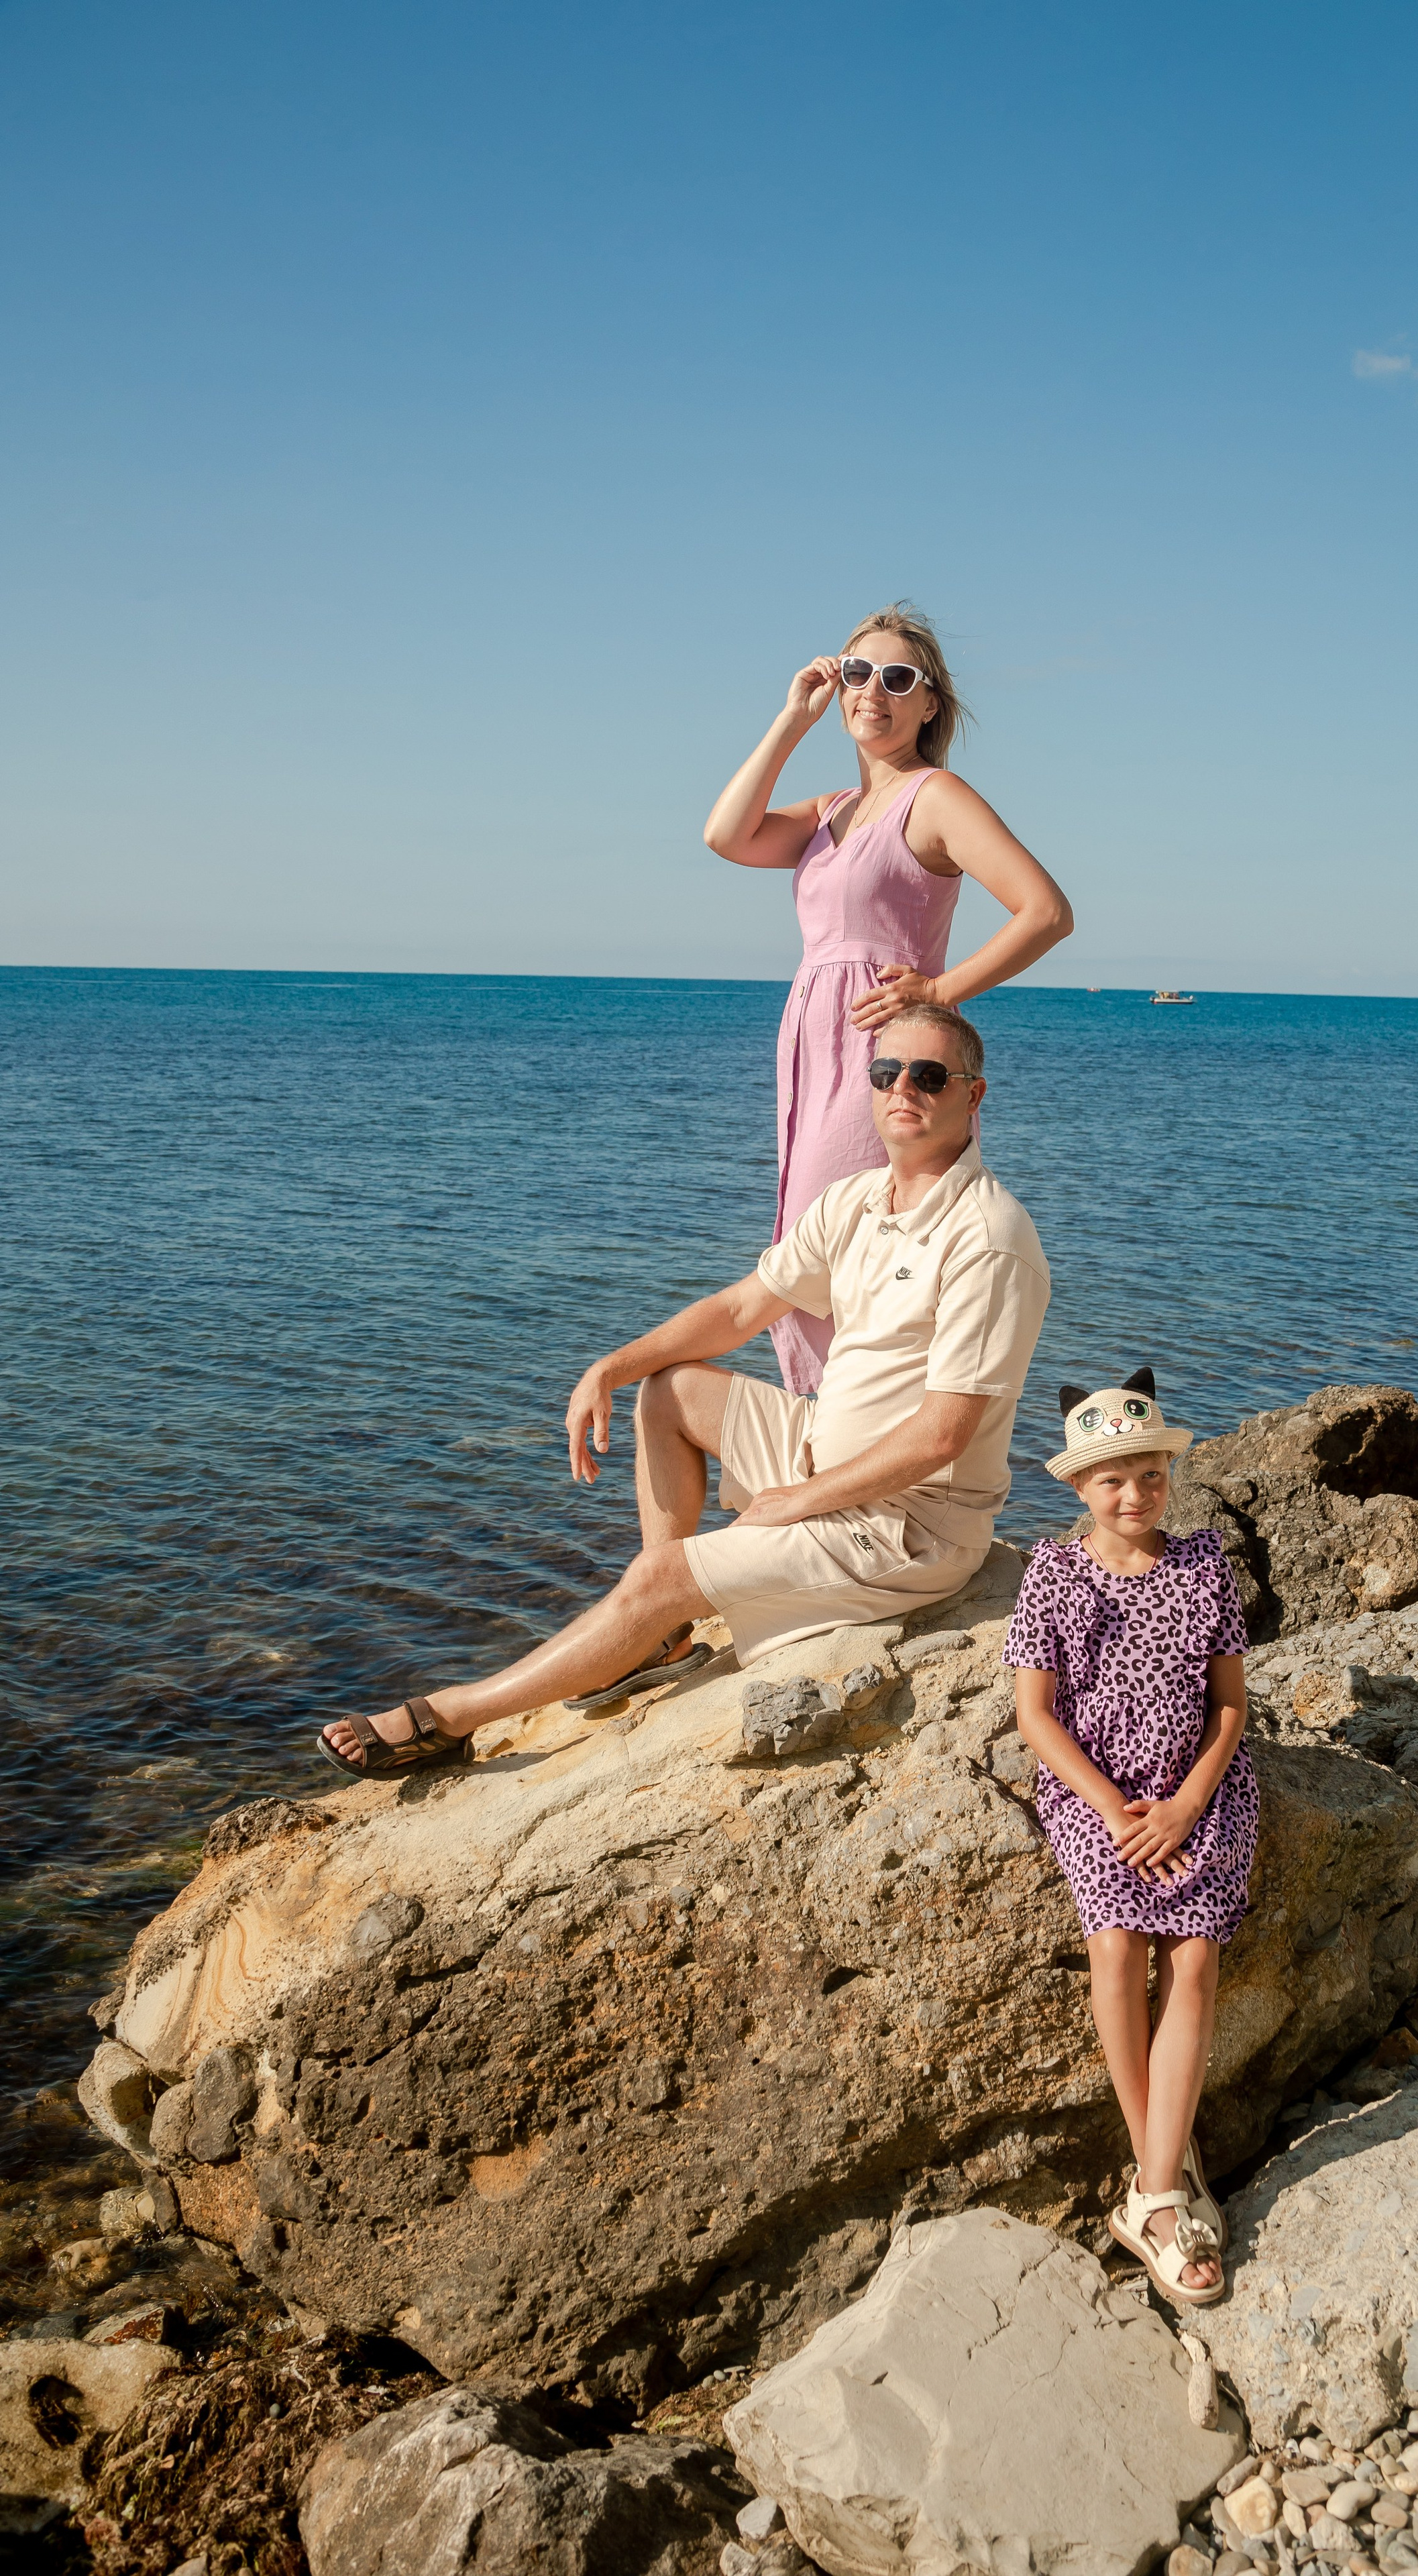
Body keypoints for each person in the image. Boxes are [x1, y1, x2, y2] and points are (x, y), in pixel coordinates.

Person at [319, 1003, 1049, 1776]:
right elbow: (739, 1308)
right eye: (886, 1071)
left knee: (660, 1576)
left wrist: (799, 1501)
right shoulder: (856, 1200)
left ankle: (451, 1718)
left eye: (929, 1075)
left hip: (910, 1525)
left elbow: (944, 1435)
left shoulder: (990, 1238)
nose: (904, 1088)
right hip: (820, 1456)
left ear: (973, 1096)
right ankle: (659, 1639)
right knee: (670, 1392)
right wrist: (611, 1366)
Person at [703, 603, 1073, 1397]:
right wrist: (790, 719)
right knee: (814, 1241)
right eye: (858, 673)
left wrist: (940, 988)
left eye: (898, 678)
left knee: (859, 1238)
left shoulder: (934, 797)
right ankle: (829, 1431)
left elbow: (1046, 912)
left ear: (929, 702)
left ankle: (864, 1434)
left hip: (886, 1052)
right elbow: (726, 836)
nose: (875, 690)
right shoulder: (832, 809)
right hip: (811, 1043)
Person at [1003, 1371, 1257, 2308]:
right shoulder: (1054, 1575)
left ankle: (1150, 2196)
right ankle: (1168, 2172)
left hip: (1197, 1793)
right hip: (1100, 1797)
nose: (1135, 1495)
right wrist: (1115, 1810)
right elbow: (1035, 1717)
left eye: (1149, 1475)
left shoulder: (1202, 1567)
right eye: (1113, 1481)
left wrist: (1188, 1805)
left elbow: (1230, 1707)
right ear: (1079, 1488)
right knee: (1116, 1943)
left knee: (1192, 1957)